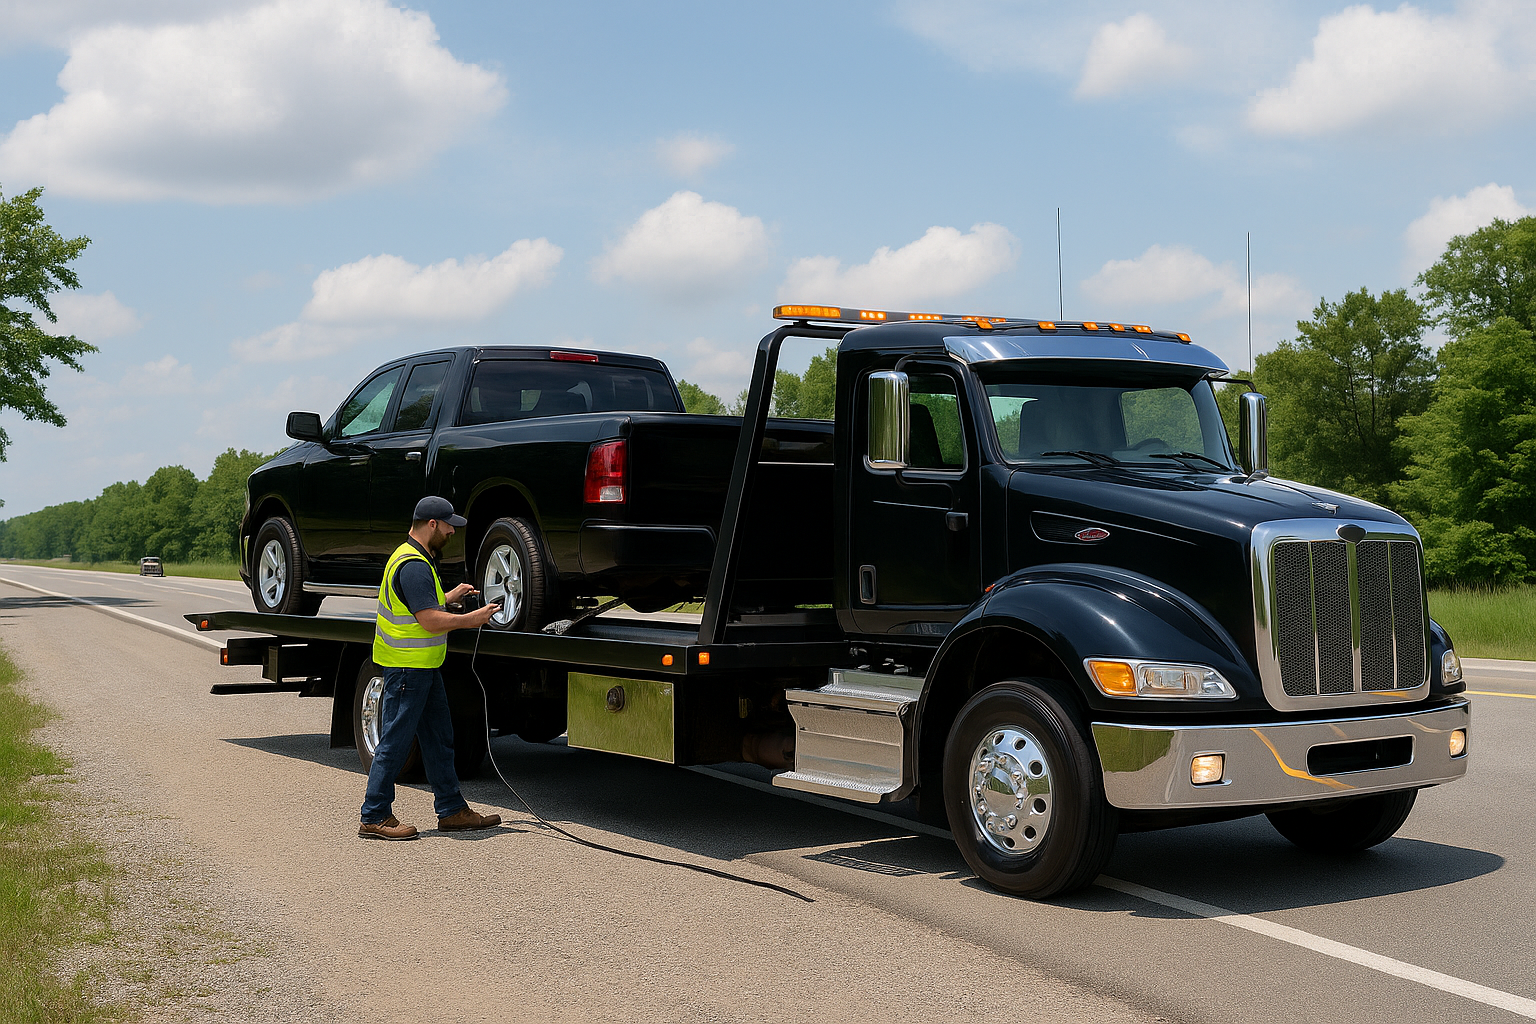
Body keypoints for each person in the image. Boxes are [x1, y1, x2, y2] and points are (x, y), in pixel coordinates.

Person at [359, 496, 504, 840]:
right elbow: (428, 620)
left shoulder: (413, 557)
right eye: (449, 525)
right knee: (395, 742)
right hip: (408, 671)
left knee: (439, 739)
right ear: (432, 524)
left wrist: (449, 596)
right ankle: (374, 815)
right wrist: (471, 619)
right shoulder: (413, 565)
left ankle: (452, 810)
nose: (453, 532)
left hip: (423, 668)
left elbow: (419, 605)